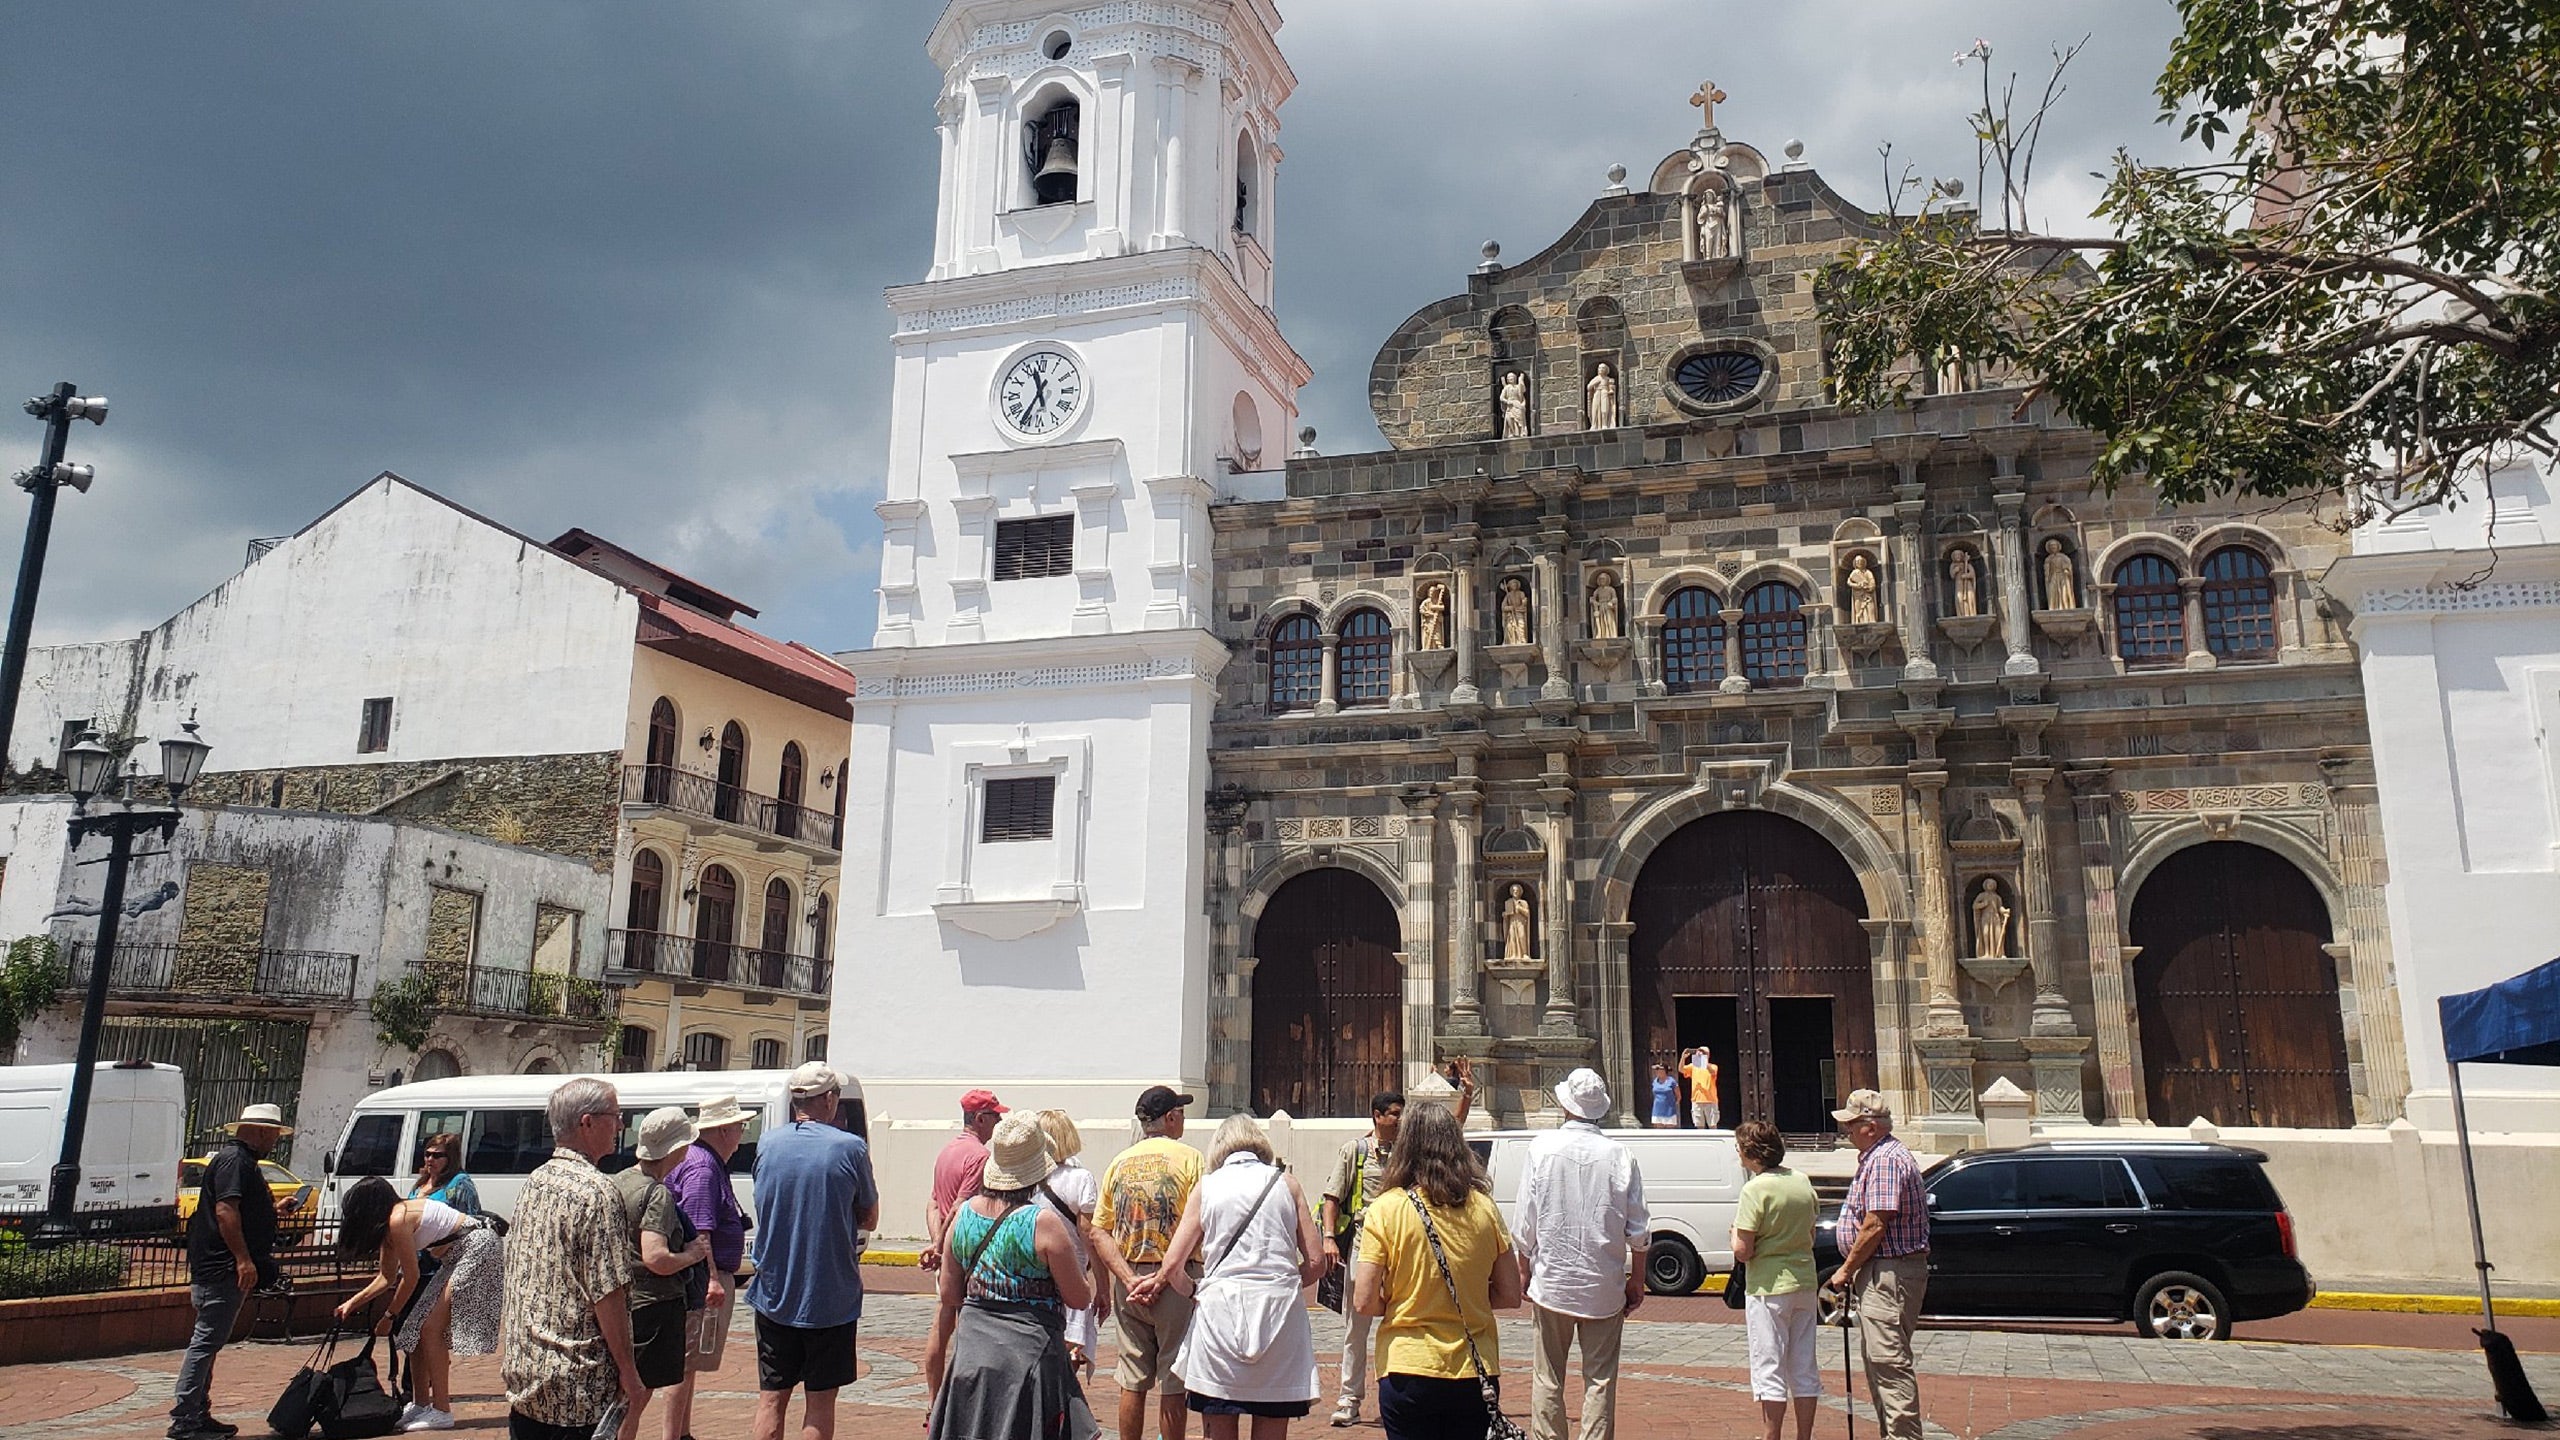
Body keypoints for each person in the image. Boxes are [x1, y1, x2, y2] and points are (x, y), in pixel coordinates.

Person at [1139, 1115, 1325, 1437]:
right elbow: (1317, 1261)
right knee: (1272, 1414)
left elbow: (1171, 1266)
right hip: (1279, 1316)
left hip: (1220, 1311)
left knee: (1219, 1413)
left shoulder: (1207, 1186)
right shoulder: (1287, 1184)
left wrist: (1195, 1291)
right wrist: (1286, 1281)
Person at [1352, 1101, 1524, 1440]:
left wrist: (1403, 1302)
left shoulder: (1386, 1209)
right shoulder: (1484, 1208)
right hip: (1474, 1369)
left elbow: (1363, 1300)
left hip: (1407, 1365)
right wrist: (1466, 1294)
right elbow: (1510, 1293)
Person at [927, 1114, 1098, 1440]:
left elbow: (949, 1294)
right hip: (1028, 1361)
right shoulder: (1042, 1223)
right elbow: (1079, 1297)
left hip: (973, 1356)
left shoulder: (964, 1214)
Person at [1321, 1068, 1475, 1428]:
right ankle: (1348, 1398)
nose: (1400, 1119)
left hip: (1404, 1242)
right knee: (1356, 1325)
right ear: (1377, 1116)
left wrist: (1465, 1096)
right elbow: (1332, 1198)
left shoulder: (1411, 1150)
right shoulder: (1356, 1151)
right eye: (1394, 1113)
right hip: (1365, 1242)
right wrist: (1330, 1238)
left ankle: (1412, 1389)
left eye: (1402, 1113)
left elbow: (1450, 1132)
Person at [500, 1078, 647, 1440]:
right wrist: (629, 1372)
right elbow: (608, 1294)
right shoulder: (597, 1192)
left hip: (527, 1374)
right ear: (587, 1122)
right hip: (578, 1385)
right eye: (615, 1116)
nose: (621, 1125)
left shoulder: (535, 1182)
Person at [747, 1063, 880, 1440]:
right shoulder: (850, 1147)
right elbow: (869, 1217)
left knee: (771, 1398)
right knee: (820, 1402)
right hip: (830, 1296)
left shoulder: (768, 1143)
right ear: (830, 1099)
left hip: (774, 1291)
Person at [1515, 1070, 1647, 1440]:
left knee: (1547, 1376)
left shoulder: (1542, 1147)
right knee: (1600, 1379)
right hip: (1602, 1284)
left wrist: (1523, 1267)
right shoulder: (1620, 1154)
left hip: (1553, 1280)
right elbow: (1639, 1228)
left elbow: (1526, 1219)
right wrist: (1636, 1278)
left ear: (1564, 1104)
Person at [332, 1175, 504, 1432]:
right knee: (413, 1329)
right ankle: (420, 1403)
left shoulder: (398, 1220)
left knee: (430, 1329)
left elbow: (410, 1278)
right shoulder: (392, 1224)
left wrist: (389, 1315)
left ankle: (442, 1410)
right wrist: (351, 1304)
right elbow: (386, 1277)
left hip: (477, 1247)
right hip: (458, 1254)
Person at [170, 1102, 290, 1440]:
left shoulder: (237, 1161)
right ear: (261, 1132)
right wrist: (242, 1259)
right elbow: (225, 1210)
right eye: (273, 1134)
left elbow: (238, 1210)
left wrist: (272, 1211)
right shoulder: (236, 1161)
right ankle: (186, 1419)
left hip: (218, 1265)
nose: (274, 1141)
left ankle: (196, 1412)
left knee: (210, 1341)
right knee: (206, 1341)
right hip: (222, 1267)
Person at [1094, 1085, 1205, 1440]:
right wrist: (1164, 1276)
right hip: (1176, 1277)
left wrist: (1128, 1279)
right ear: (1171, 1117)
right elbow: (1203, 1221)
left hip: (1131, 1280)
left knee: (1132, 1378)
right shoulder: (1190, 1159)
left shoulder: (1119, 1162)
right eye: (1181, 1113)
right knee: (1174, 1378)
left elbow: (1100, 1231)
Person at [1827, 1090, 1930, 1440]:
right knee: (1879, 1362)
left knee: (1889, 1363)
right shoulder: (1877, 1156)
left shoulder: (1885, 1159)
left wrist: (1845, 1270)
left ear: (1869, 1126)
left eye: (1851, 1125)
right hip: (1883, 1269)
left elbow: (1876, 1222)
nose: (1846, 1132)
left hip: (1890, 1270)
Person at [612, 1108, 713, 1440]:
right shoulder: (657, 1193)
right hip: (652, 1307)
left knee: (622, 1395)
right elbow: (656, 1257)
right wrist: (692, 1254)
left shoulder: (619, 1181)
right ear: (677, 1149)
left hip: (618, 1301)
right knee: (635, 1396)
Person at [661, 1094, 750, 1440]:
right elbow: (701, 1230)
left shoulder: (706, 1162)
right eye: (740, 1126)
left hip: (700, 1277)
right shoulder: (702, 1166)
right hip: (699, 1280)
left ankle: (682, 1432)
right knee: (685, 1362)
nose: (743, 1133)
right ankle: (674, 1435)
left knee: (693, 1360)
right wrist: (712, 1279)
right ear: (725, 1130)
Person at [1732, 1122, 1820, 1440]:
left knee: (1769, 1364)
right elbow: (1810, 1235)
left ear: (1751, 1153)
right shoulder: (1801, 1181)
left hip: (1768, 1286)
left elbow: (1743, 1250)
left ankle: (1772, 1436)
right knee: (1803, 1364)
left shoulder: (1754, 1189)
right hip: (1804, 1281)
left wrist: (1733, 1236)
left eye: (1740, 1149)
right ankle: (1805, 1436)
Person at [922, 1089, 1007, 1408]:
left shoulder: (947, 1151)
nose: (999, 1123)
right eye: (996, 1117)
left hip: (947, 1251)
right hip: (966, 1255)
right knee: (971, 1330)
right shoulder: (981, 1157)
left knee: (942, 1325)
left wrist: (936, 1244)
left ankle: (933, 1401)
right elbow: (960, 1207)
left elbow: (933, 1203)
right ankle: (964, 1403)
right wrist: (942, 1246)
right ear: (981, 1119)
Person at [1032, 1109, 1108, 1378]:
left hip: (1035, 1276)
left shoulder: (1025, 1180)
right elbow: (1089, 1234)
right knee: (1070, 1353)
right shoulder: (1080, 1179)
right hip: (1073, 1274)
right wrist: (1102, 1286)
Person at [409, 1133, 482, 1217]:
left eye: (437, 1155)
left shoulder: (460, 1183)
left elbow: (471, 1218)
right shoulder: (423, 1181)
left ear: (450, 1158)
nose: (430, 1159)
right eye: (427, 1154)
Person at [1685, 1049, 1720, 1130]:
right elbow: (1681, 1069)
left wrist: (1703, 1060)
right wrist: (1683, 1057)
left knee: (1712, 1125)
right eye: (1699, 1051)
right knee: (1699, 1126)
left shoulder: (1713, 1066)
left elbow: (1712, 1072)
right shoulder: (1693, 1066)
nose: (1700, 1053)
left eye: (1703, 1052)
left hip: (1710, 1100)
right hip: (1697, 1100)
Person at [1647, 1064, 1678, 1129]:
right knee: (1659, 1132)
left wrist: (1674, 1103)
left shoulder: (1671, 1081)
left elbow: (1678, 1095)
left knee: (1670, 1131)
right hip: (1658, 1109)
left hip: (1669, 1110)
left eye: (1660, 1070)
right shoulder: (1655, 1081)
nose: (1658, 1072)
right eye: (1657, 1070)